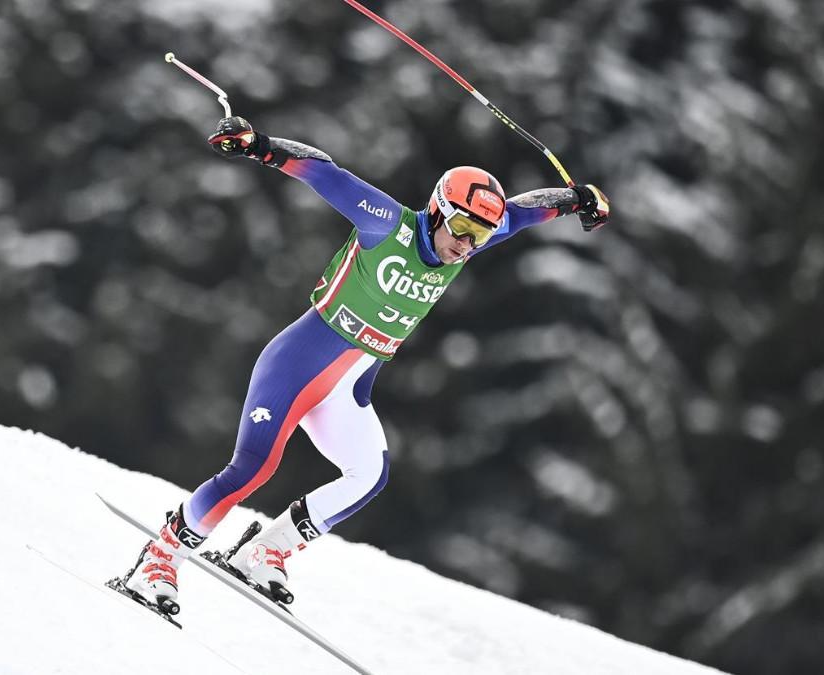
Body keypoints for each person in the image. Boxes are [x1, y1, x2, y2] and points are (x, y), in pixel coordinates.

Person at [119, 116, 611, 613]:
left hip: (348, 389)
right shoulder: (388, 225)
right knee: (253, 468)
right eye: (462, 228)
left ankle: (266, 550)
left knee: (368, 475)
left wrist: (576, 200)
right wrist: (258, 146)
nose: (466, 244)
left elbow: (523, 212)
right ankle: (158, 560)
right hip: (297, 364)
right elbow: (323, 172)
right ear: (438, 212)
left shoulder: (468, 241)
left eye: (480, 237)